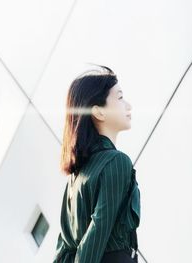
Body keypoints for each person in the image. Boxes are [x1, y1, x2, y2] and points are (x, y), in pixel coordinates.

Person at [53, 64, 141, 263]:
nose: (128, 105)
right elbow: (96, 235)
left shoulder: (76, 176)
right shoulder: (117, 162)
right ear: (99, 112)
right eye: (119, 97)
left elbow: (65, 247)